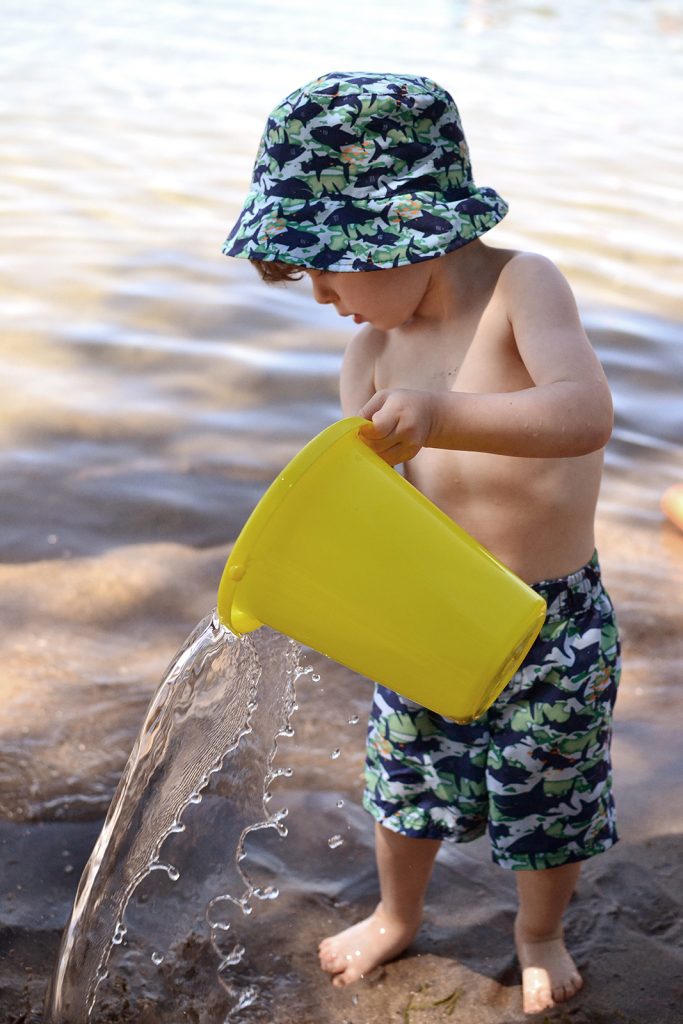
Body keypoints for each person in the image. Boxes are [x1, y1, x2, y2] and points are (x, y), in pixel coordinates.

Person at [222, 71, 621, 1016]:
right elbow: (379, 511)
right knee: (403, 779)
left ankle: (537, 933)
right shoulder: (367, 356)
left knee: (546, 793)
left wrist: (442, 412)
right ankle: (397, 913)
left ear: (403, 233)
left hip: (551, 616)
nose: (317, 293)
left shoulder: (522, 287)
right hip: (431, 611)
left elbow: (584, 413)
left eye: (326, 264)